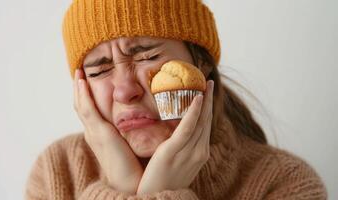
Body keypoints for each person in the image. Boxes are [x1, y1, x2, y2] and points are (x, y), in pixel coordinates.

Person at [25, 0, 327, 199]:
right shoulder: (56, 173)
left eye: (147, 55)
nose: (124, 91)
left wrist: (161, 192)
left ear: (200, 62)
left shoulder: (284, 184)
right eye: (99, 70)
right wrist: (122, 189)